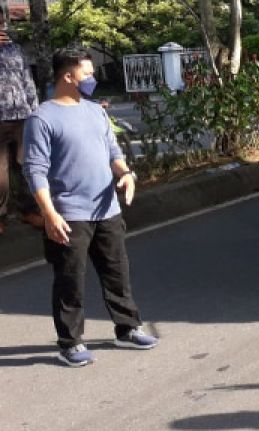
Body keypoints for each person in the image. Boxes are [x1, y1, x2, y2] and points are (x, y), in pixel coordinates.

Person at [23, 48, 159, 368]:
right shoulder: (42, 118)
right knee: (70, 279)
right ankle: (70, 342)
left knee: (117, 273)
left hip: (107, 208)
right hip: (69, 214)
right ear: (68, 77)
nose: (92, 79)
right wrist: (49, 213)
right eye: (87, 74)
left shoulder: (96, 111)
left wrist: (125, 175)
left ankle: (127, 328)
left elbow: (113, 151)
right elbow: (35, 170)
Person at [0, 26, 40, 234]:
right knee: (0, 173)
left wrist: (35, 110)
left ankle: (30, 210)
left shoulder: (16, 49)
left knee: (26, 164)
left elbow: (27, 80)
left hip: (22, 116)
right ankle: (1, 215)